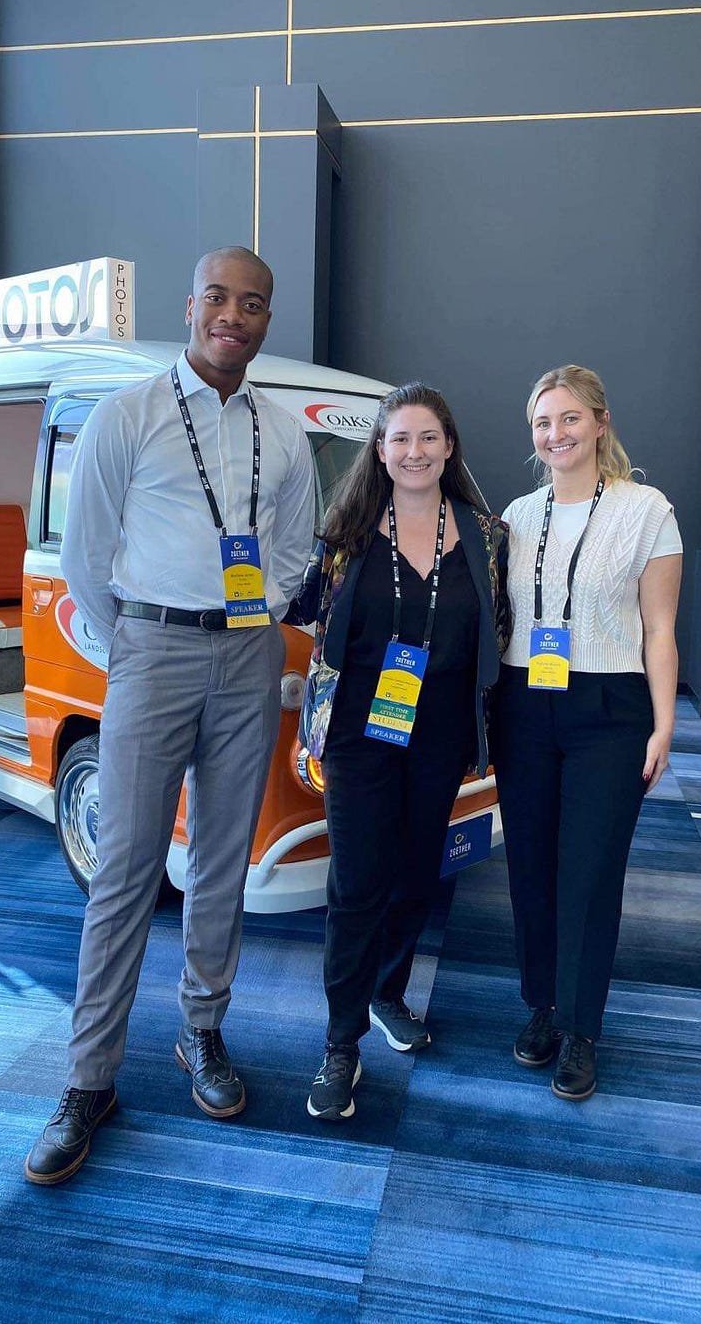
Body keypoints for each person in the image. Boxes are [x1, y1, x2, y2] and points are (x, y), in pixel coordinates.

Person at [24, 247, 316, 1184]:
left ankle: (202, 1031)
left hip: (247, 653)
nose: (235, 315)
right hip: (150, 649)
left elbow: (296, 547)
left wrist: (256, 616)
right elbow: (85, 554)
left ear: (268, 321)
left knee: (221, 858)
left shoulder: (287, 432)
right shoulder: (129, 414)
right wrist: (135, 648)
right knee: (126, 869)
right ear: (190, 305)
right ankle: (89, 1077)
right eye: (221, 298)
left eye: (255, 304)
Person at [289, 383, 509, 1121]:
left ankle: (387, 991)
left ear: (449, 446)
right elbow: (311, 627)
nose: (413, 452)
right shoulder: (345, 534)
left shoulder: (487, 534)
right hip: (359, 731)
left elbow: (501, 630)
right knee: (357, 882)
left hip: (442, 731)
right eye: (399, 439)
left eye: (428, 438)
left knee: (418, 872)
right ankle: (339, 1043)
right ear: (379, 450)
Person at [490, 364, 682, 1101]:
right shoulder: (516, 512)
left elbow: (660, 628)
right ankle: (542, 1004)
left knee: (591, 869)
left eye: (570, 418)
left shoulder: (646, 509)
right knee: (531, 864)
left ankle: (581, 1028)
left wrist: (665, 724)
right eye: (543, 422)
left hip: (611, 707)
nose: (555, 434)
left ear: (600, 423)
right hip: (524, 701)